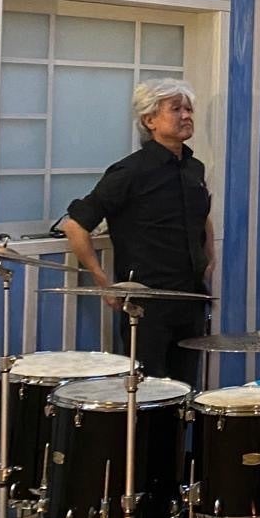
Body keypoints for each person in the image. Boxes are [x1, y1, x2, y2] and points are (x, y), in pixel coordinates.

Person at [59, 80, 214, 387]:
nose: (186, 115)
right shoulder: (130, 171)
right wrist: (103, 282)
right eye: (176, 109)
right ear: (149, 120)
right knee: (148, 393)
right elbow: (75, 225)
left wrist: (210, 258)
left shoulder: (194, 168)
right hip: (147, 305)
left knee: (186, 390)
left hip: (192, 298)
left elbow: (202, 215)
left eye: (189, 109)